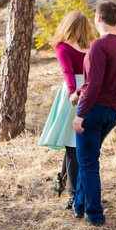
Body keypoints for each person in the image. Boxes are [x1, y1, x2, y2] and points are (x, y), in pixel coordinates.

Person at [72, 0, 116, 226]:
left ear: (98, 19)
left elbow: (94, 84)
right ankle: (78, 206)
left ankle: (95, 215)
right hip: (112, 111)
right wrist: (78, 92)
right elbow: (98, 81)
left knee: (88, 163)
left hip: (94, 111)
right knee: (87, 158)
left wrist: (81, 112)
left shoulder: (98, 45)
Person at [38, 11, 95, 210]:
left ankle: (66, 186)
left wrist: (78, 92)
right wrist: (76, 93)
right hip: (81, 93)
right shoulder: (69, 47)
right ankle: (70, 191)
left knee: (75, 143)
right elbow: (70, 72)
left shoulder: (86, 46)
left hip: (84, 93)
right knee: (73, 143)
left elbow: (78, 72)